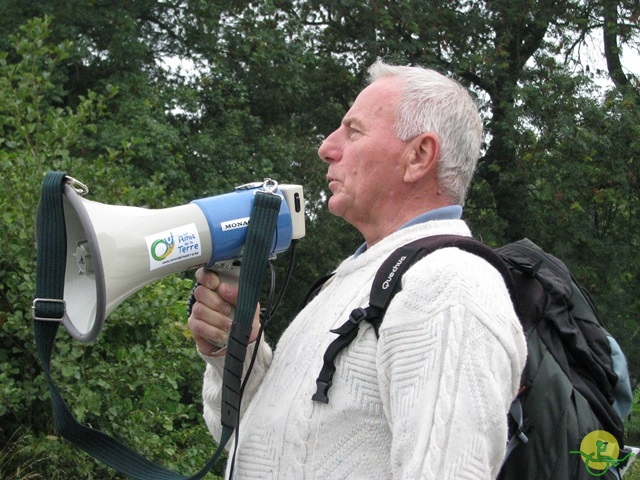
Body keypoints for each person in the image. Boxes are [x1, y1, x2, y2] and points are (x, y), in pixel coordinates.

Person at [188, 59, 527, 479]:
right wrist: (234, 350)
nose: (327, 147)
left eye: (354, 131)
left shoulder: (448, 286)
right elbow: (260, 441)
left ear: (419, 156)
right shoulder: (359, 277)